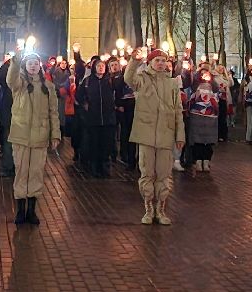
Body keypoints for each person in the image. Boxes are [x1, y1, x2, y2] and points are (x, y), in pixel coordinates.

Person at [125, 47, 185, 225]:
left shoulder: (173, 83)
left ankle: (161, 208)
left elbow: (178, 111)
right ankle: (148, 208)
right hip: (146, 134)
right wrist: (134, 60)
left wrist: (180, 135)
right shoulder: (142, 79)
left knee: (164, 174)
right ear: (150, 62)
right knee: (147, 172)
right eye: (157, 60)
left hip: (166, 135)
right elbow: (128, 78)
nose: (160, 63)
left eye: (163, 60)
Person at [6, 51, 60, 225]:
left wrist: (55, 135)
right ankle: (20, 210)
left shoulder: (48, 87)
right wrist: (15, 60)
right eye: (29, 63)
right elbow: (10, 79)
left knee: (36, 173)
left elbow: (54, 112)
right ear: (25, 65)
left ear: (40, 66)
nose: (33, 66)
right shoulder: (20, 84)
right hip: (20, 135)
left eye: (36, 63)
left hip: (40, 136)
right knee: (21, 171)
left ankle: (32, 210)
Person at [75, 56, 117, 179]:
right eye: (98, 66)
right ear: (94, 68)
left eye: (103, 66)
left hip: (108, 119)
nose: (101, 68)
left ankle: (105, 167)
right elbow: (79, 95)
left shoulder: (110, 80)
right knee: (94, 143)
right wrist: (85, 104)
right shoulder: (88, 81)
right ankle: (94, 167)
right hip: (93, 119)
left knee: (106, 144)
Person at [184, 75, 220, 173]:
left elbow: (216, 107)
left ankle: (206, 160)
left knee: (208, 143)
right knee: (198, 142)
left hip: (209, 121)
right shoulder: (195, 92)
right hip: (197, 119)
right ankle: (198, 161)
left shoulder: (213, 95)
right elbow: (190, 103)